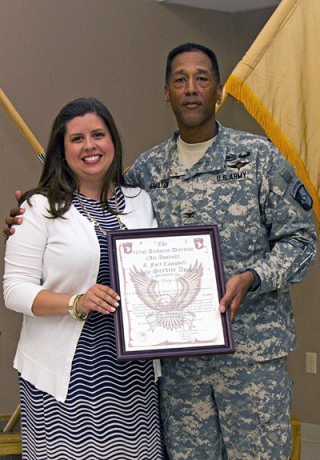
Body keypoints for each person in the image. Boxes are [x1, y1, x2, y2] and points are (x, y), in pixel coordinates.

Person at [4, 44, 318, 460]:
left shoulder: (259, 158)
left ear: (219, 91)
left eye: (202, 78)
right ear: (166, 93)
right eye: (180, 80)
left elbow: (301, 240)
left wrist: (253, 278)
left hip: (251, 359)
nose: (191, 89)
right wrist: (29, 213)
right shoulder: (147, 173)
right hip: (177, 369)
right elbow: (92, 212)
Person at [3, 97, 165, 460]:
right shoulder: (39, 207)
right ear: (62, 150)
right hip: (64, 380)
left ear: (113, 142)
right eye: (77, 139)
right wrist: (75, 303)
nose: (90, 146)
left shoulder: (140, 201)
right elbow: (14, 290)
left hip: (132, 378)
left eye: (98, 135)